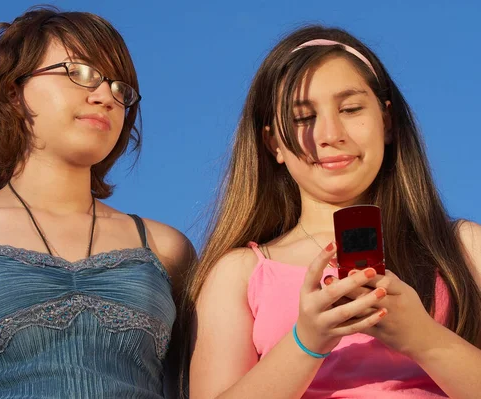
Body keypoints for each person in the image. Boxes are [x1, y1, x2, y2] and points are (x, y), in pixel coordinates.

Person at [0, 6, 194, 398]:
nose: (104, 97)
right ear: (14, 91)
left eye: (120, 88)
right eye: (78, 73)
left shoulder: (166, 249)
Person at [186, 25, 481, 398]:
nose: (330, 133)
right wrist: (307, 342)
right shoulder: (239, 273)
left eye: (351, 108)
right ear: (273, 143)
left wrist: (424, 339)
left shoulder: (464, 248)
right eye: (302, 118)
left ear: (386, 121)